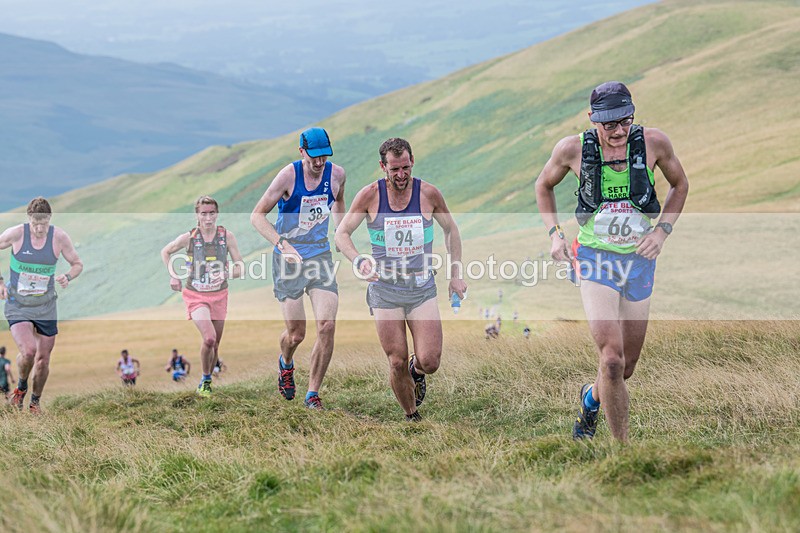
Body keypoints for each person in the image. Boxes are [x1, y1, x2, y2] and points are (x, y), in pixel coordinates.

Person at [535, 81, 688, 442]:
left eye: (626, 121)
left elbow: (680, 184)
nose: (619, 131)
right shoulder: (572, 149)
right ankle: (622, 452)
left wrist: (661, 232)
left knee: (626, 366)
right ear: (592, 118)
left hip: (638, 261)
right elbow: (543, 185)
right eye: (610, 124)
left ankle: (590, 400)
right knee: (612, 359)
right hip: (595, 258)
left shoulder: (654, 142)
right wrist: (555, 234)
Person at [335, 137, 467, 421]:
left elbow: (451, 230)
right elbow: (341, 234)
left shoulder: (428, 194)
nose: (401, 174)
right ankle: (411, 415)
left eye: (405, 167)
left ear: (412, 161)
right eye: (394, 169)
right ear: (383, 166)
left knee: (430, 361)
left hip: (421, 288)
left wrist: (456, 274)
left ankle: (416, 371)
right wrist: (359, 260)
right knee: (396, 360)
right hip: (385, 289)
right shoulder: (370, 195)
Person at [250, 127, 346, 410]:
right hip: (288, 259)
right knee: (296, 334)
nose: (320, 162)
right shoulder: (288, 176)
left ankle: (312, 394)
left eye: (324, 156)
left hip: (320, 255)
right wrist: (283, 245)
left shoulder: (337, 174)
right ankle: (286, 363)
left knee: (327, 326)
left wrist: (340, 231)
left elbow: (339, 201)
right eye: (314, 156)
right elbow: (257, 216)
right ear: (302, 151)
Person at [0, 197, 83, 413]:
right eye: (35, 223)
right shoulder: (17, 234)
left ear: (50, 219)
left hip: (45, 306)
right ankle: (21, 389)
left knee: (43, 360)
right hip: (18, 304)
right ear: (29, 219)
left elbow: (77, 264)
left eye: (44, 224)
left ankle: (35, 403)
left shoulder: (59, 237)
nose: (39, 229)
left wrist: (68, 276)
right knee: (29, 351)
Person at [161, 195, 243, 397]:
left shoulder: (227, 237)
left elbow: (240, 267)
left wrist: (225, 273)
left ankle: (208, 379)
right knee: (209, 338)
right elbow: (166, 252)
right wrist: (173, 275)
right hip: (195, 296)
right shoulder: (188, 238)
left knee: (215, 345)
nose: (208, 218)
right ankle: (205, 380)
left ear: (217, 214)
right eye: (204, 213)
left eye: (212, 213)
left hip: (219, 295)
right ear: (197, 215)